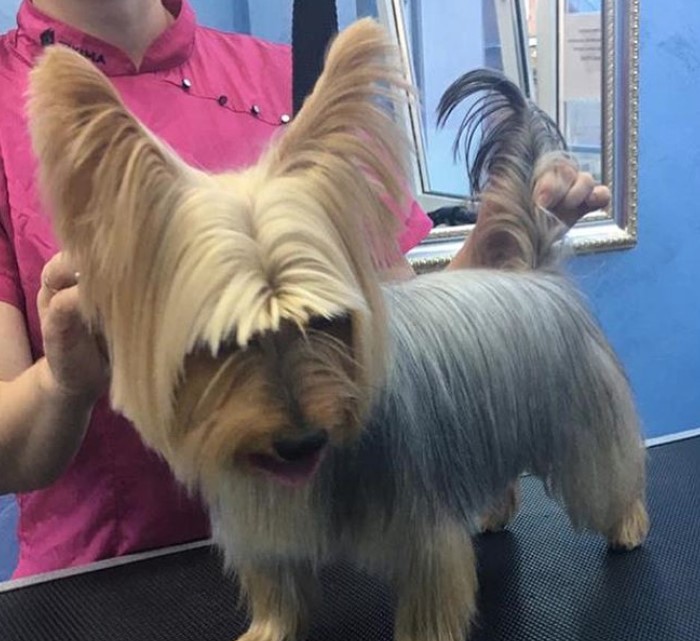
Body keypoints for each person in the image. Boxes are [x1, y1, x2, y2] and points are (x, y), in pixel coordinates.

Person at [0, 0, 609, 578]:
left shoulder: (285, 77)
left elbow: (387, 330)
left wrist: (495, 246)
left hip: (332, 557)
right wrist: (62, 380)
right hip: (102, 592)